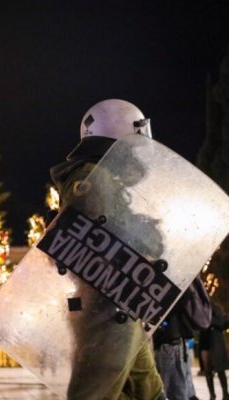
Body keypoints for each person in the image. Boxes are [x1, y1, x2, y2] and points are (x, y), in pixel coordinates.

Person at [49, 99, 165, 399]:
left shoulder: (99, 177)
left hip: (122, 304)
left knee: (147, 391)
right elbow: (98, 240)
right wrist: (146, 238)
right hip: (107, 310)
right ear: (116, 136)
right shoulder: (92, 178)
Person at [153, 278, 211, 400]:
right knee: (184, 392)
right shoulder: (181, 279)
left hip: (170, 342)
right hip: (177, 342)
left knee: (175, 394)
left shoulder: (169, 279)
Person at [200, 301, 229, 400]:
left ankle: (225, 394)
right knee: (208, 371)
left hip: (216, 343)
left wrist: (210, 322)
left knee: (220, 370)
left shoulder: (218, 311)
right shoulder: (201, 310)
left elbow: (223, 325)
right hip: (205, 342)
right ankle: (212, 395)